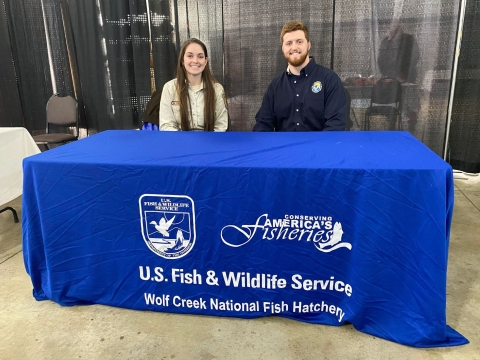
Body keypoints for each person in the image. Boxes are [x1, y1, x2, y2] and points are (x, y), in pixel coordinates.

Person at [253, 21, 346, 132]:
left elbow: (336, 125)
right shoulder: (275, 87)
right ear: (282, 48)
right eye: (288, 43)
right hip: (284, 148)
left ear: (308, 45)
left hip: (319, 148)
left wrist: (318, 148)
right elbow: (263, 124)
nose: (294, 47)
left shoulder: (329, 80)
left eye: (299, 42)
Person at [159, 38, 228, 131]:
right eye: (190, 56)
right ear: (182, 60)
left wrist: (207, 144)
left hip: (209, 142)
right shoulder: (169, 88)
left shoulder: (217, 89)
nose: (195, 61)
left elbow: (221, 126)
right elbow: (166, 126)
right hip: (180, 142)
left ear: (206, 61)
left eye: (200, 56)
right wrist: (185, 143)